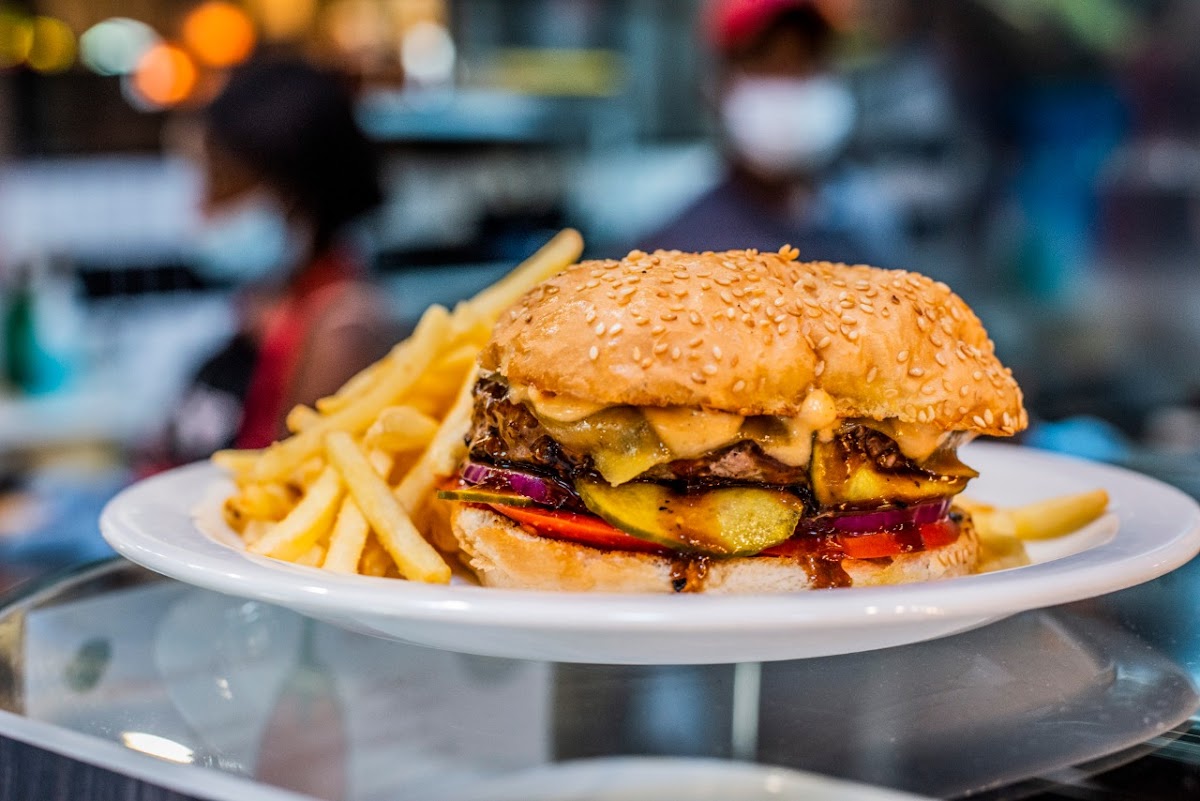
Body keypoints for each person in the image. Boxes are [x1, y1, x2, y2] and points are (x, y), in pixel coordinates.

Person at [159, 59, 392, 465]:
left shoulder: (341, 330)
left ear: (295, 196)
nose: (200, 208)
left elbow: (287, 478)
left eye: (223, 185)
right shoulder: (265, 305)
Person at [642, 0, 900, 265]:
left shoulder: (866, 219)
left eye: (807, 62)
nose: (790, 85)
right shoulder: (676, 249)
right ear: (715, 87)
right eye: (767, 64)